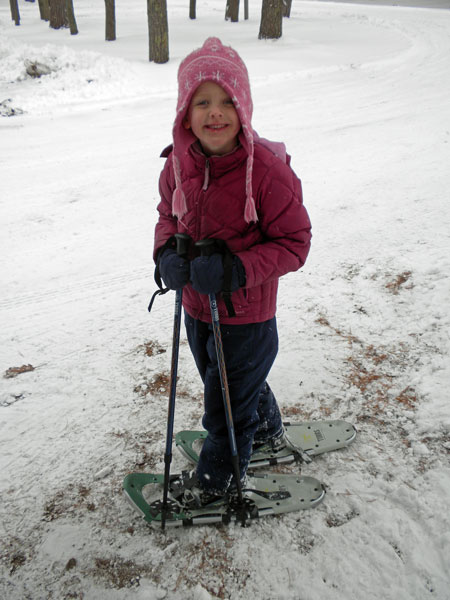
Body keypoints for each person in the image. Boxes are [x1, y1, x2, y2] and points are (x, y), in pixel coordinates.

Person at [153, 37, 311, 507]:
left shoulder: (266, 171)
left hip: (247, 318)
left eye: (226, 101)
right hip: (198, 310)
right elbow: (166, 214)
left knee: (225, 405)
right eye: (202, 101)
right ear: (185, 110)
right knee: (225, 383)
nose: (215, 113)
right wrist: (165, 253)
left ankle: (215, 481)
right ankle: (264, 427)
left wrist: (235, 270)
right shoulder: (177, 164)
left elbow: (294, 243)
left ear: (243, 106)